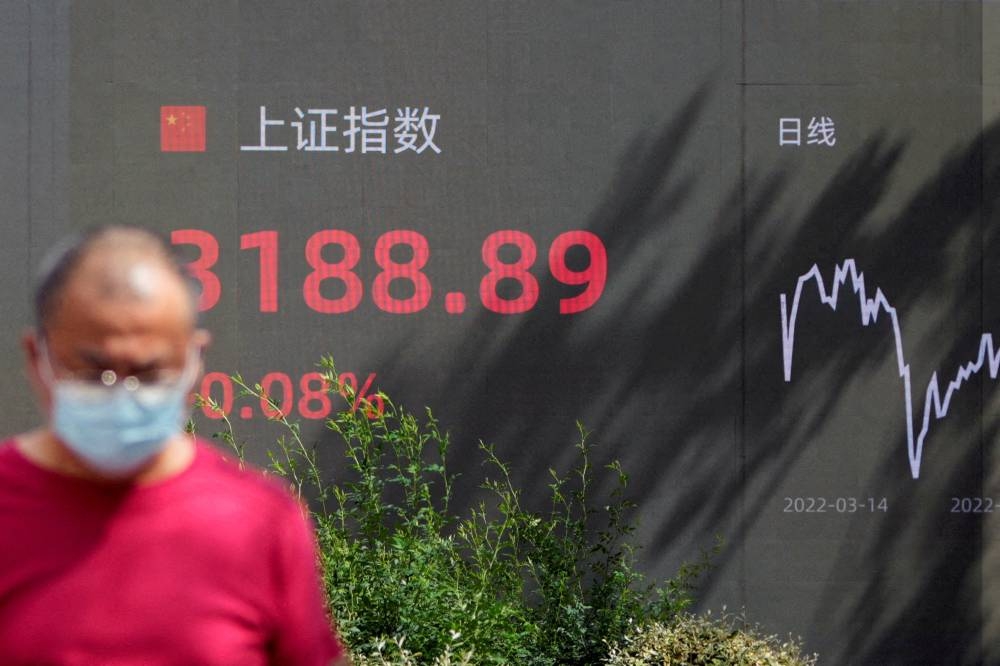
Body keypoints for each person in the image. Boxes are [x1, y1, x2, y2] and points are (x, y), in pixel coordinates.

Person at [0, 225, 350, 665]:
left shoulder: (263, 522)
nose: (121, 393)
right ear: (38, 357)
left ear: (194, 360)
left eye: (148, 373)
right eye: (94, 371)